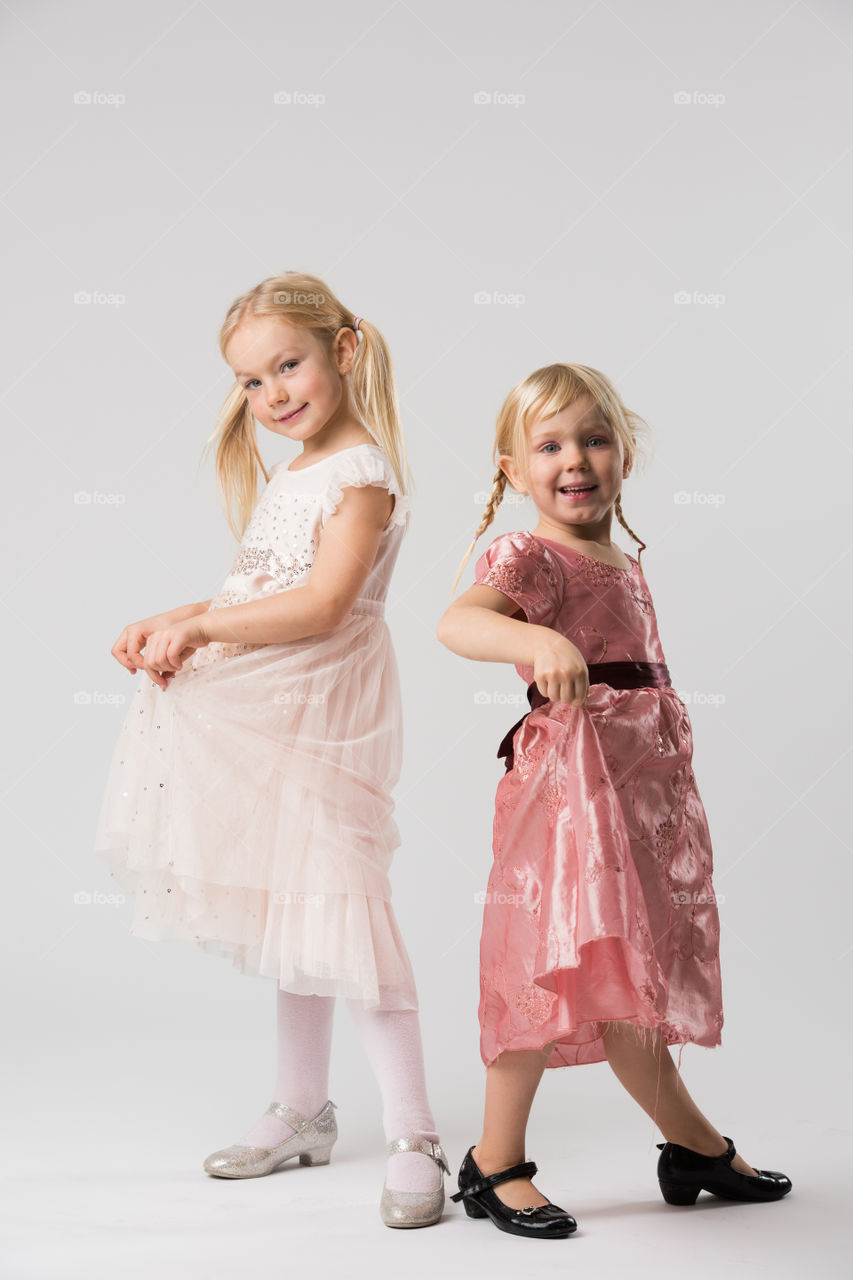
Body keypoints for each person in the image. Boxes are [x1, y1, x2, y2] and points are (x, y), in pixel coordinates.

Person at [95, 271, 449, 1229]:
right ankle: (302, 1108)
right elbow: (260, 584)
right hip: (277, 700)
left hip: (325, 703)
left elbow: (324, 603)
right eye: (252, 383)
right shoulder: (293, 474)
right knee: (301, 901)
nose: (272, 395)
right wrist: (173, 616)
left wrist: (203, 635)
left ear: (344, 348)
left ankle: (415, 1132)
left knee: (345, 900)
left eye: (286, 366)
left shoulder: (361, 474)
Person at [435, 363, 792, 1239]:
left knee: (631, 974)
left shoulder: (620, 559)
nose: (576, 460)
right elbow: (458, 622)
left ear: (623, 454)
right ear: (514, 470)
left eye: (595, 439)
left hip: (636, 801)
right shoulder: (528, 555)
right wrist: (533, 634)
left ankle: (691, 1146)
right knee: (540, 968)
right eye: (549, 445)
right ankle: (493, 1162)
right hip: (566, 804)